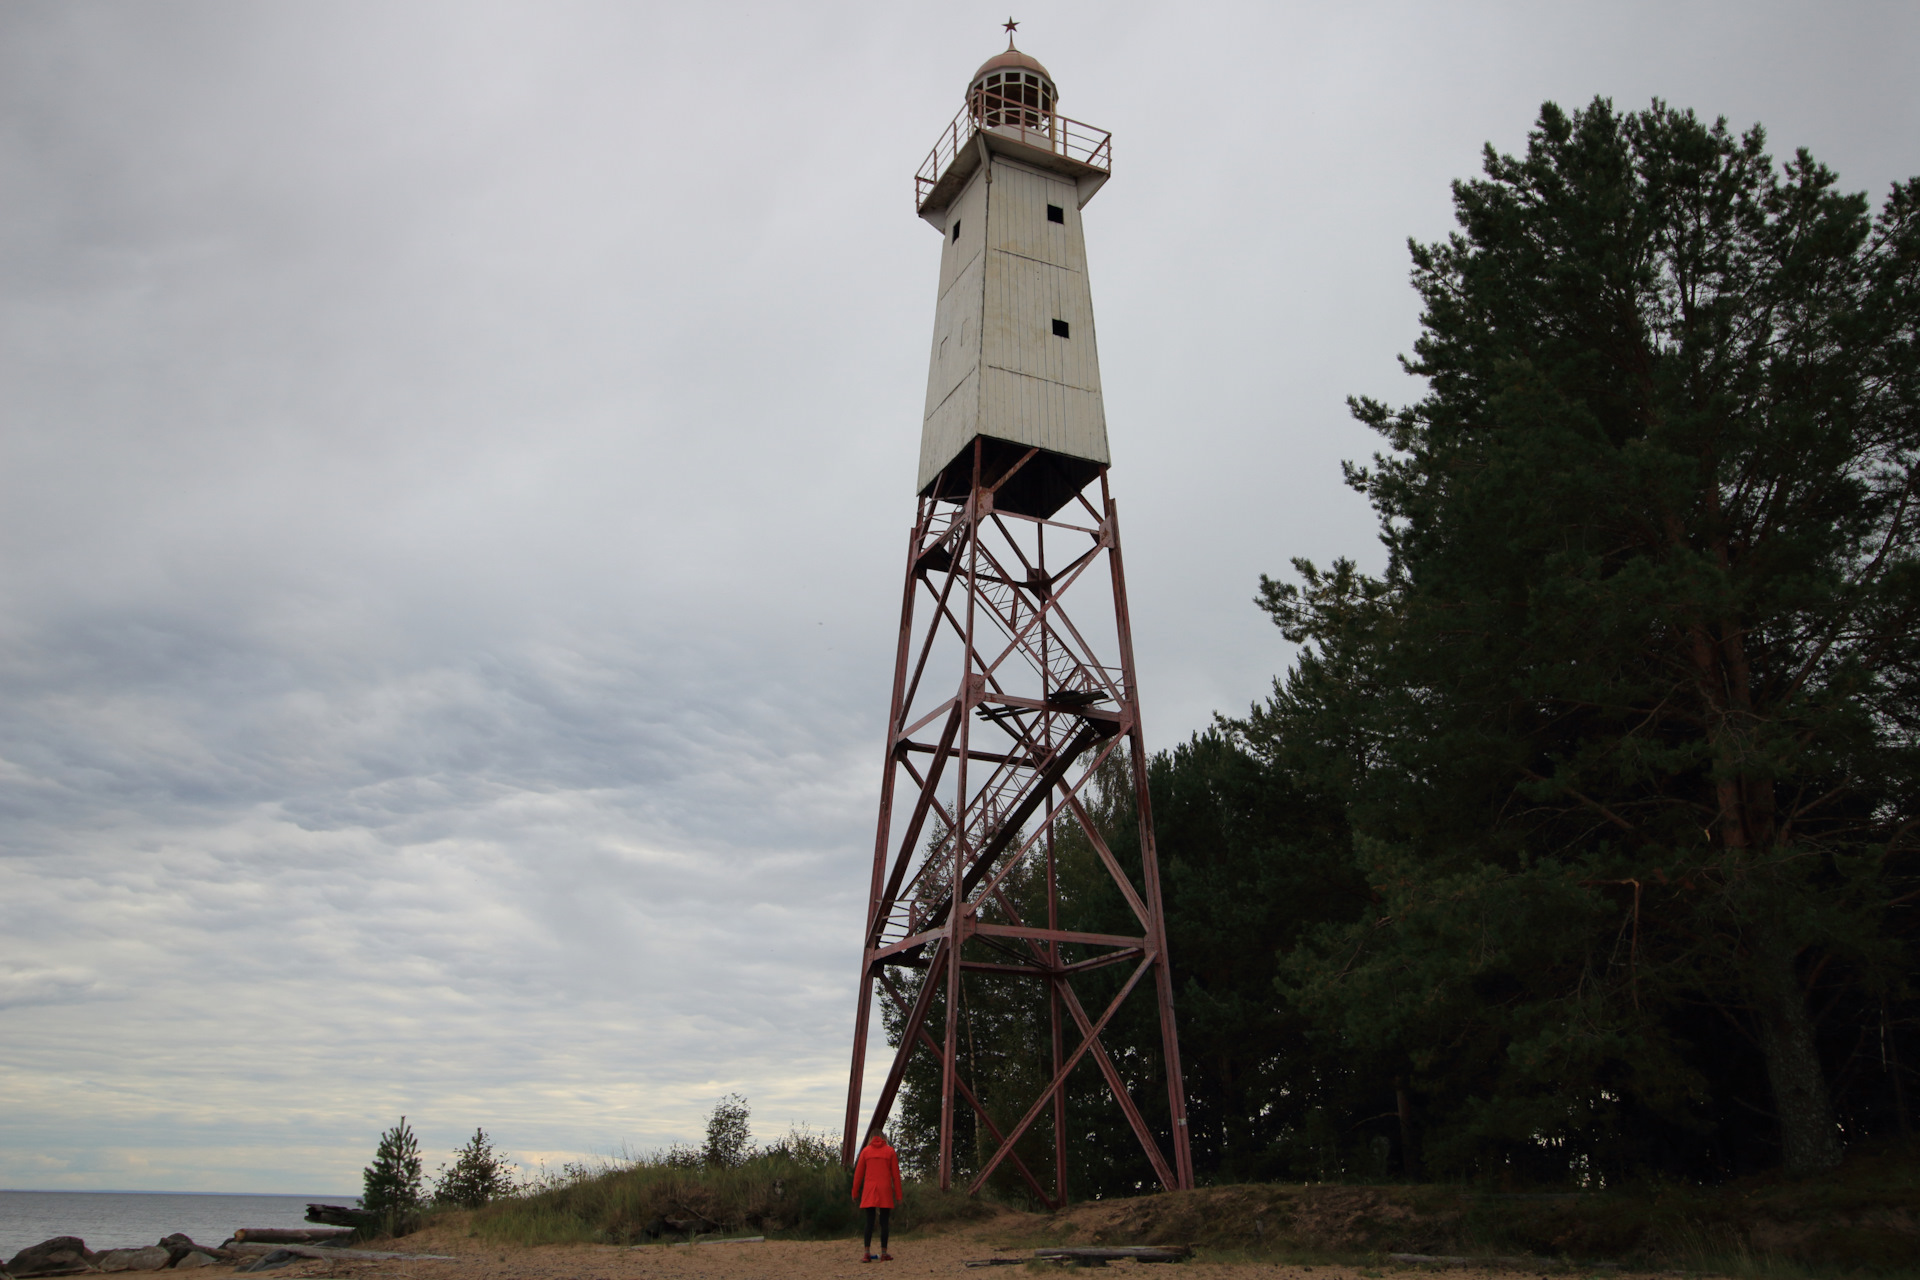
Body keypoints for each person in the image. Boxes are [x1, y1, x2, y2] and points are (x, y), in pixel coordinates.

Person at [849, 1129, 903, 1262]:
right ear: (883, 1137)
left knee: (869, 1221)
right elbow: (896, 1176)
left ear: (871, 1138)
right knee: (884, 1222)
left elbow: (858, 1175)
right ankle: (884, 1253)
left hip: (869, 1189)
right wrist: (899, 1195)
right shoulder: (890, 1151)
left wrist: (854, 1192)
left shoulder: (866, 1151)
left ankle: (867, 1253)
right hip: (885, 1189)